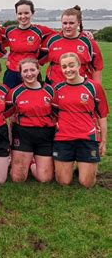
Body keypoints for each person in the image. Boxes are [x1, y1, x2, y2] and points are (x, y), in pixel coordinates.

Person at [52, 52, 108, 188]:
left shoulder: (93, 87)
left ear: (79, 66)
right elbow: (53, 113)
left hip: (87, 137)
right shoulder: (57, 88)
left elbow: (102, 115)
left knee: (86, 183)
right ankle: (71, 162)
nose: (68, 69)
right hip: (64, 138)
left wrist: (103, 140)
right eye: (64, 67)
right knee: (63, 182)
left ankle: (84, 165)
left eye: (71, 65)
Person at [6, 58, 55, 183]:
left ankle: (33, 163)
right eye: (25, 71)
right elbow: (6, 115)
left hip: (45, 134)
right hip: (23, 134)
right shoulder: (15, 92)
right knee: (18, 179)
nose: (29, 74)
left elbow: (58, 114)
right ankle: (24, 161)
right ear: (21, 74)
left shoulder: (50, 90)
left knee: (45, 179)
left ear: (38, 71)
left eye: (32, 70)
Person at [41, 6, 103, 86]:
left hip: (80, 87)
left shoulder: (88, 42)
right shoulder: (52, 40)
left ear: (78, 23)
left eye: (71, 23)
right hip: (55, 86)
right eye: (65, 23)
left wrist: (96, 90)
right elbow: (37, 59)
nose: (67, 26)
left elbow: (96, 69)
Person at [2, 0, 55, 88]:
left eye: (26, 13)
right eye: (20, 13)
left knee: (34, 99)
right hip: (12, 72)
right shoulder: (9, 30)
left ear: (32, 13)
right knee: (10, 99)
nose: (23, 16)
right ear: (16, 14)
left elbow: (60, 37)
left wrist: (83, 33)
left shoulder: (40, 31)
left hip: (32, 72)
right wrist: (5, 55)